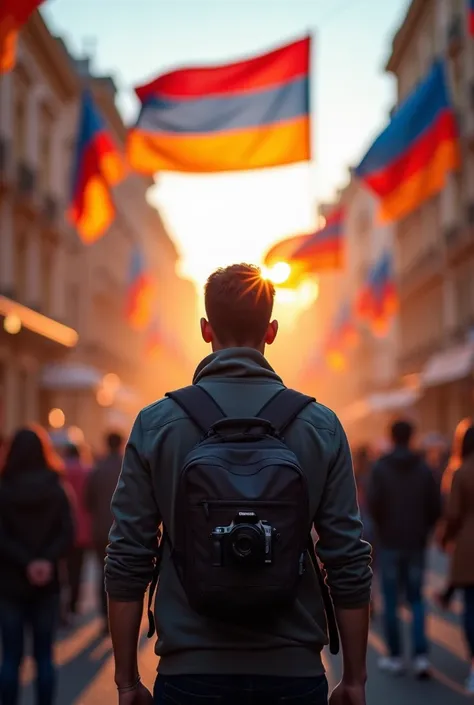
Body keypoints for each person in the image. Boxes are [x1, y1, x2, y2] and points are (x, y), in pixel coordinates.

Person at [105, 264, 372, 705]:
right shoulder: (320, 426)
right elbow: (346, 557)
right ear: (272, 331)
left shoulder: (157, 424)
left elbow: (128, 555)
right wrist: (356, 678)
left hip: (190, 671)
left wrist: (127, 681)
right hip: (293, 672)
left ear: (206, 330)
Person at [0, 425, 74, 705]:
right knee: (44, 656)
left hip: (9, 583)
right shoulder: (56, 487)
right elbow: (67, 532)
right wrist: (44, 560)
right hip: (47, 583)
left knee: (10, 658)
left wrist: (26, 561)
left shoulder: (3, 488)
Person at [368, 419, 441, 678]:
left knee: (390, 600)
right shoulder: (423, 467)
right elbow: (435, 506)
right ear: (411, 436)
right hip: (415, 542)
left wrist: (384, 527)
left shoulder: (381, 467)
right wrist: (424, 529)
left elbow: (373, 503)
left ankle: (395, 656)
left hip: (389, 542)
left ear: (391, 436)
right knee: (416, 599)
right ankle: (421, 657)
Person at [440, 425, 474, 693]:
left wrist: (443, 539)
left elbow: (453, 514)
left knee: (471, 606)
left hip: (469, 546)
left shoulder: (461, 471)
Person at [85, 431, 124, 633]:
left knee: (104, 572)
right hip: (125, 528)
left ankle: (105, 618)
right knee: (126, 573)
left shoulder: (97, 468)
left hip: (101, 529)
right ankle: (123, 620)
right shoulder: (127, 466)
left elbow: (88, 501)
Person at [63, 443, 92, 621]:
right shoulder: (87, 471)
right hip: (82, 528)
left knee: (63, 570)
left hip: (61, 529)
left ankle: (62, 607)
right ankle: (73, 604)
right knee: (77, 569)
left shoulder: (60, 469)